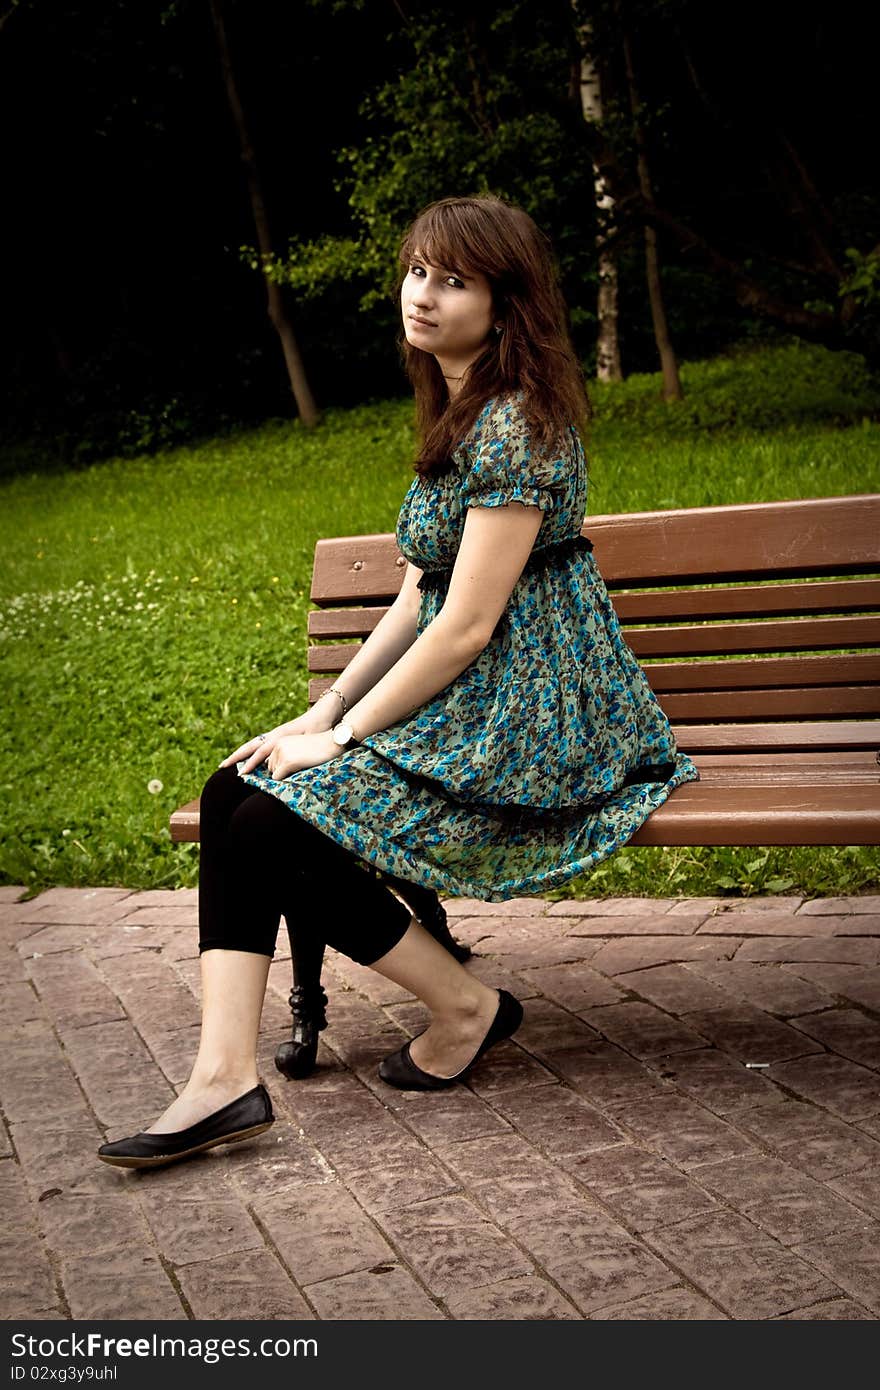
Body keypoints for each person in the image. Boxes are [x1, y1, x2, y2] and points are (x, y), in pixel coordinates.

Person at [98, 195, 698, 1170]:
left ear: (505, 307)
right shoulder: (459, 411)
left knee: (272, 820)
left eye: (454, 280)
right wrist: (324, 709)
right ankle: (224, 1079)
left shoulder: (517, 428)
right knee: (235, 794)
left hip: (536, 719)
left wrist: (340, 739)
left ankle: (463, 1005)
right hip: (476, 704)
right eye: (418, 271)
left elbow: (464, 626)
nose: (423, 295)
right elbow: (420, 590)